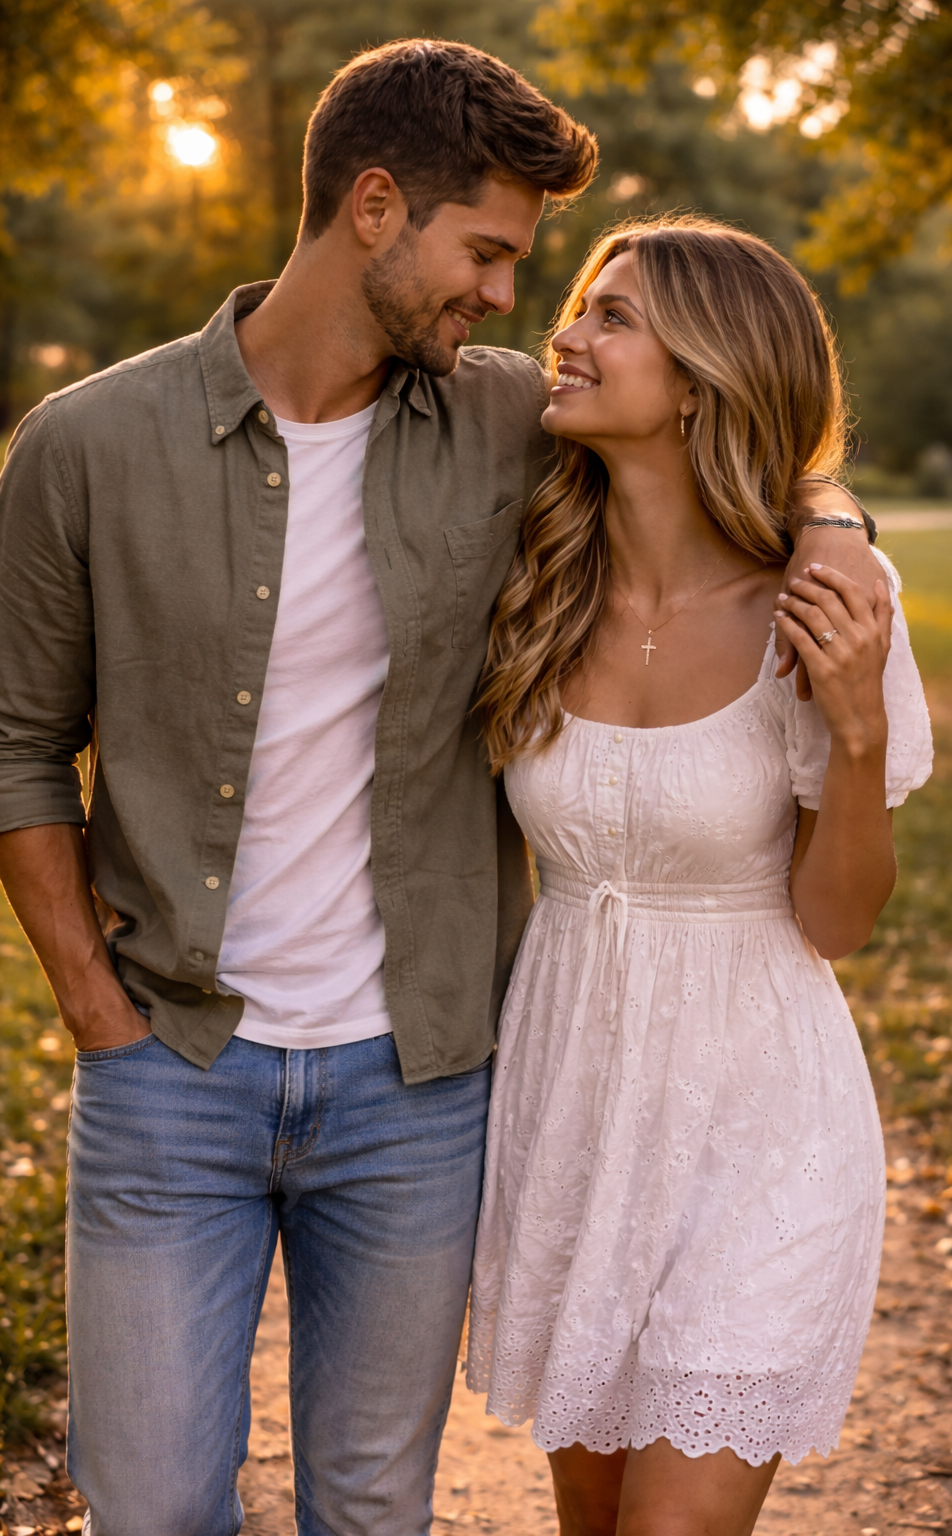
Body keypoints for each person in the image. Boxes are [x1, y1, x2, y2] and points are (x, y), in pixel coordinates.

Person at [0, 37, 881, 1536]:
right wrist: (95, 1005)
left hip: (415, 1089)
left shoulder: (498, 424)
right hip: (172, 1072)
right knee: (147, 1508)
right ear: (376, 206)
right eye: (486, 252)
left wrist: (836, 516)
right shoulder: (87, 445)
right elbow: (19, 741)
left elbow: (725, 412)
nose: (507, 299)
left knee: (369, 1507)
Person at [466, 216, 933, 1536]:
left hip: (762, 1122)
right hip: (573, 1116)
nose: (567, 332)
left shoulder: (831, 600)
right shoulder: (532, 574)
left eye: (613, 316)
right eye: (579, 306)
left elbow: (836, 918)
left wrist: (854, 730)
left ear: (706, 373)